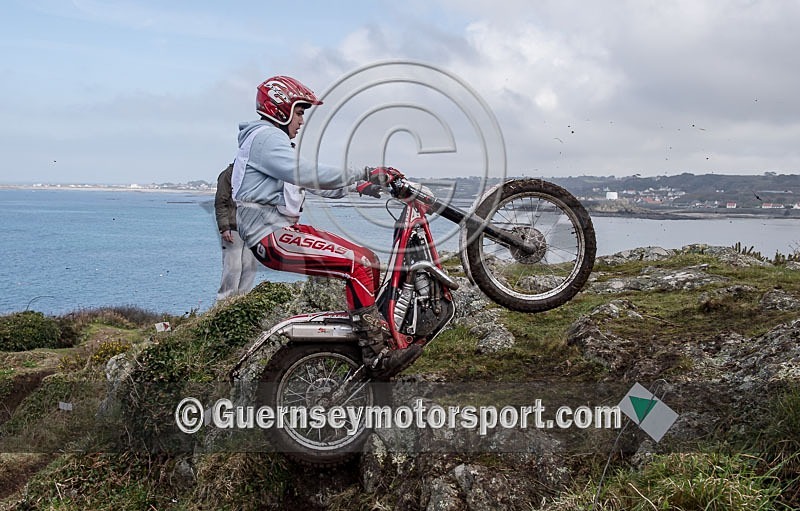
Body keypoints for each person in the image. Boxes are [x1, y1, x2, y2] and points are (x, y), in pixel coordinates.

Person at [232, 75, 421, 376]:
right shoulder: (265, 138)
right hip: (271, 237)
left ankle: (370, 335)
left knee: (368, 260)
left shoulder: (272, 142)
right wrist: (365, 171)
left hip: (281, 231)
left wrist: (363, 185)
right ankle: (377, 355)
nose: (302, 120)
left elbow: (309, 184)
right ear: (280, 108)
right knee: (357, 264)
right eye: (299, 111)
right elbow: (306, 173)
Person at [214, 163, 260, 302]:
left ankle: (241, 301)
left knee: (250, 267)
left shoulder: (257, 175)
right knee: (233, 268)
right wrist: (224, 227)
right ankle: (224, 303)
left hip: (253, 229)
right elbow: (220, 202)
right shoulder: (228, 174)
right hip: (233, 228)